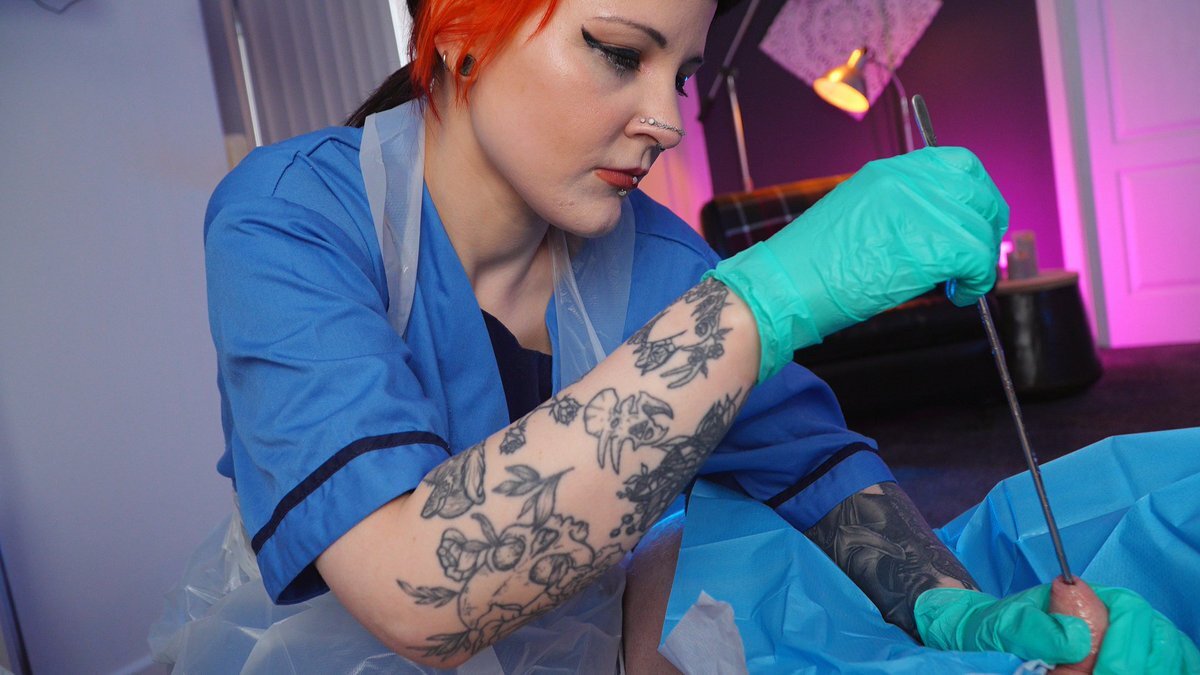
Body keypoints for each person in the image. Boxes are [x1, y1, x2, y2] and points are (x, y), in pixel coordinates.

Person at [150, 0, 1198, 672]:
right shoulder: (289, 217)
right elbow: (411, 591)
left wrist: (953, 611)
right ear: (459, 28)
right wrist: (763, 300)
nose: (667, 119)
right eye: (619, 54)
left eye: (683, 75)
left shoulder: (659, 259)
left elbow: (815, 469)